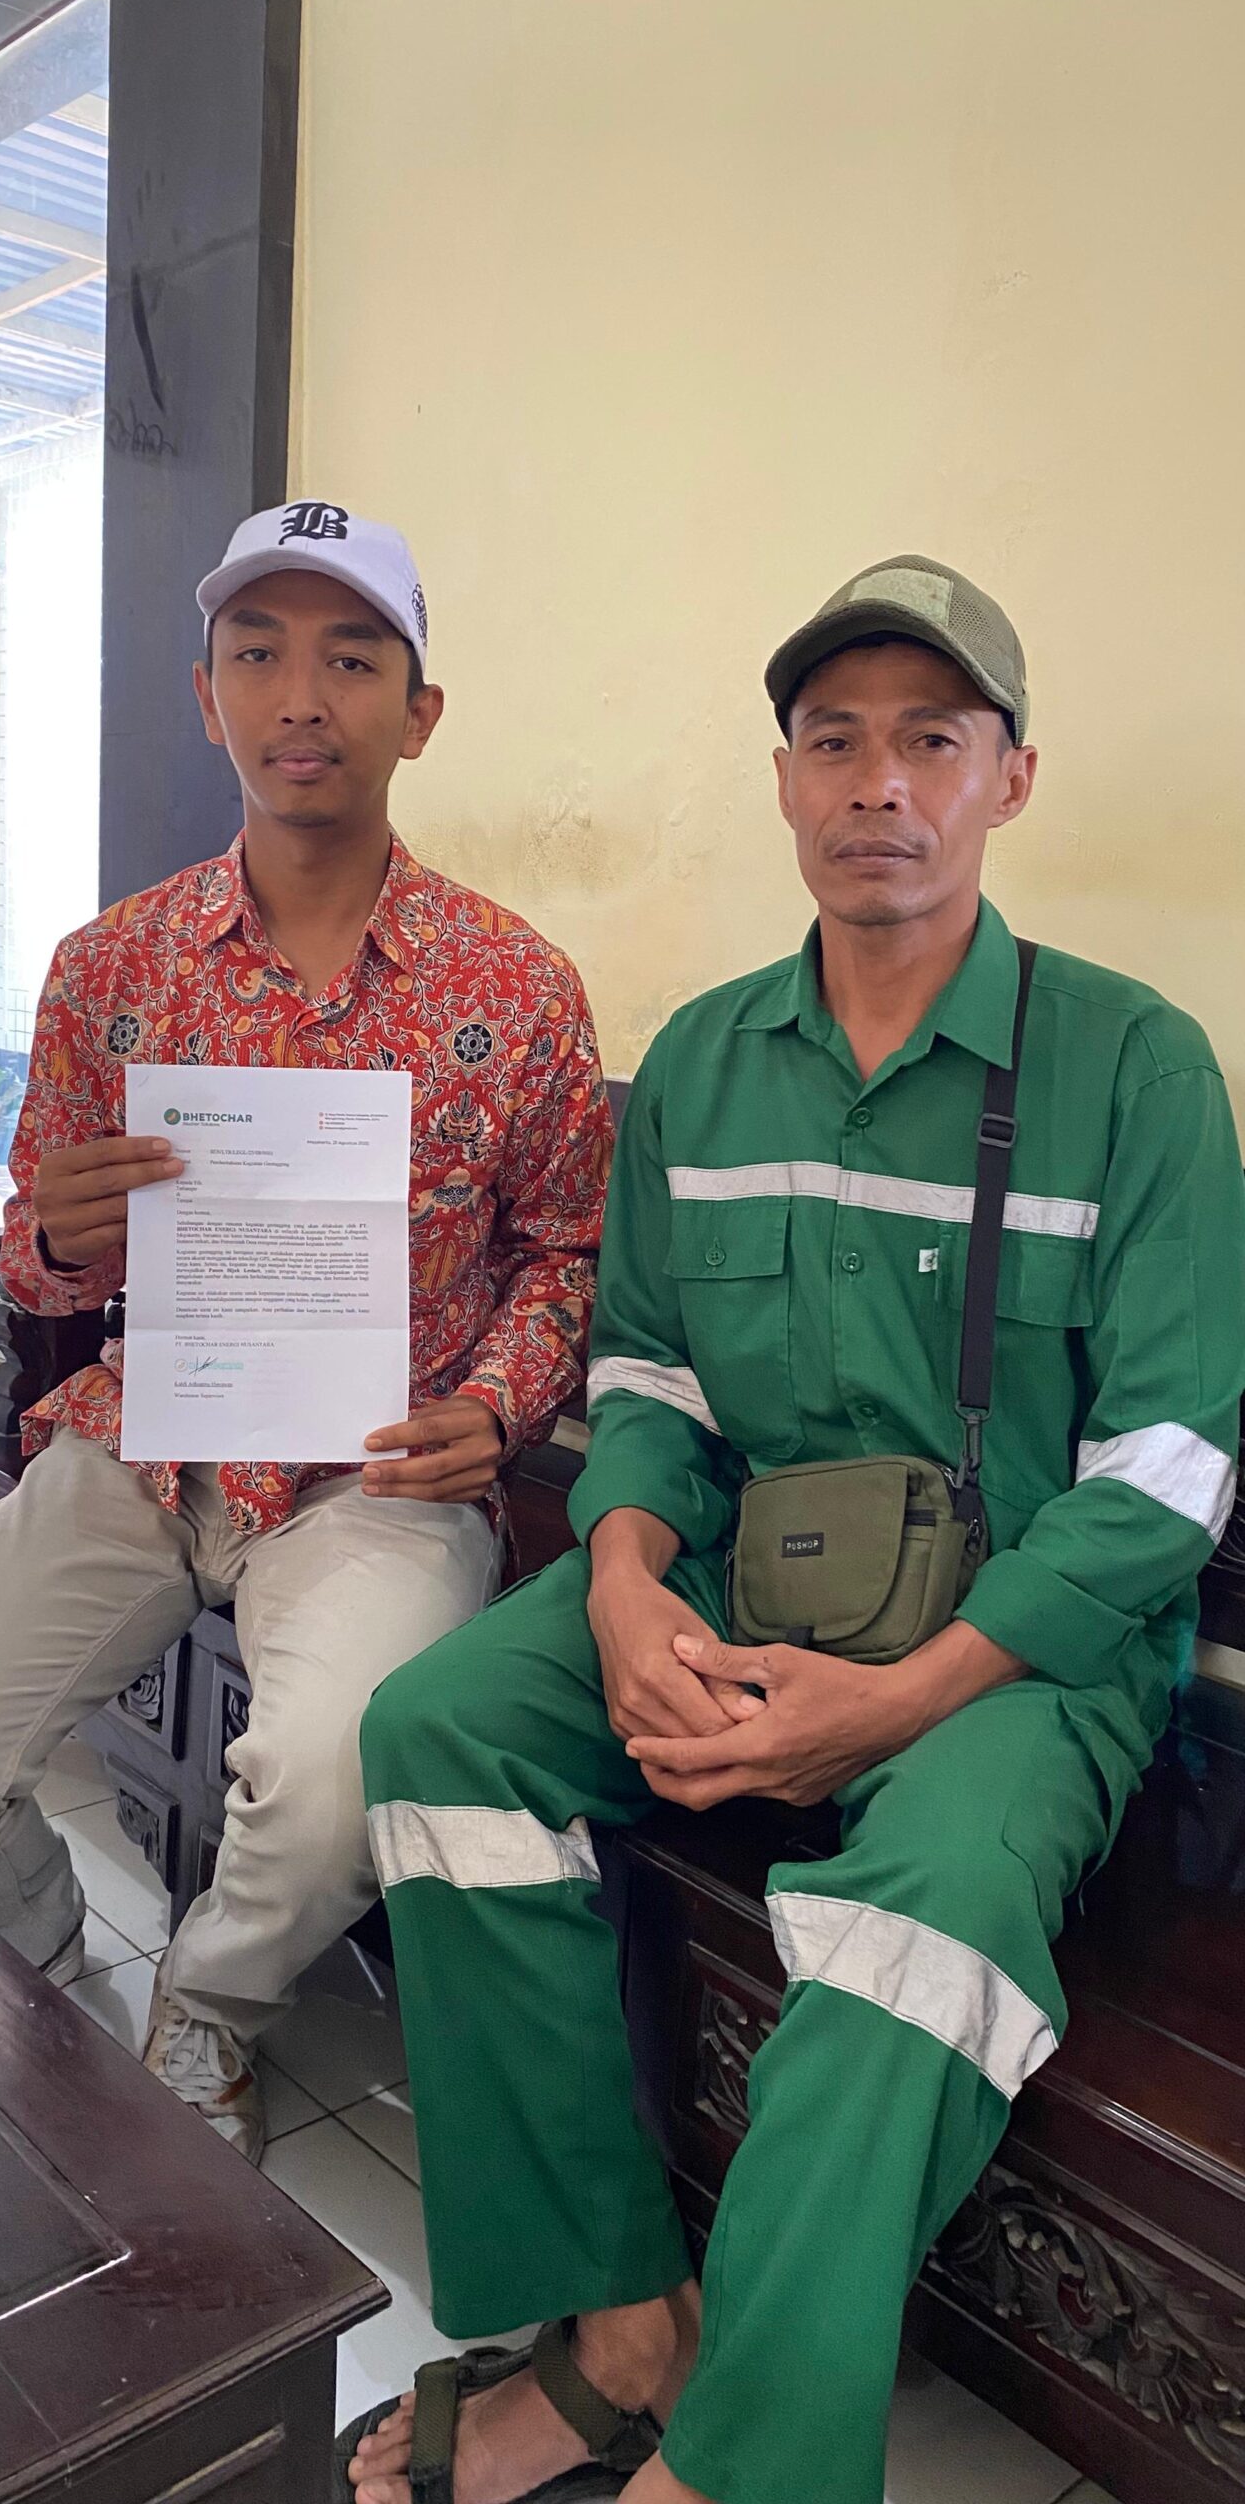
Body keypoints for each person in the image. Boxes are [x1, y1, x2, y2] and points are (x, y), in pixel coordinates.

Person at [341, 555, 1245, 2504]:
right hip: (748, 1578)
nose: (879, 783)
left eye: (933, 739)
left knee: (921, 1921)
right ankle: (617, 2322)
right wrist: (623, 1574)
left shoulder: (1135, 1066)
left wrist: (898, 1702)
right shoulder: (704, 1062)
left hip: (1027, 1653)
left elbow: (1168, 1468)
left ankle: (741, 2460)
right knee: (438, 1729)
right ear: (783, 782)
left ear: (1011, 778)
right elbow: (650, 1374)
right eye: (834, 740)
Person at [0, 500, 611, 2166]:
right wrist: (55, 1238)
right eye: (258, 654)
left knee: (333, 1783)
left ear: (420, 711)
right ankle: (47, 1980)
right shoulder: (110, 970)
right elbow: (44, 1267)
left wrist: (500, 1405)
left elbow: (568, 1250)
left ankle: (210, 2009)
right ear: (208, 697)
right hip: (151, 1438)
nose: (300, 697)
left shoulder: (519, 987)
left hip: (380, 1472)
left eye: (352, 659)